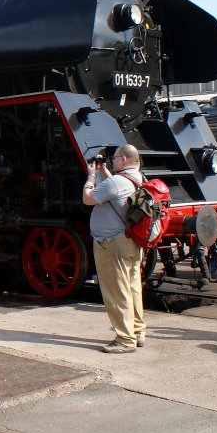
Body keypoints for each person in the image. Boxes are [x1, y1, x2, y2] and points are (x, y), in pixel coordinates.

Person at [83, 144, 145, 353]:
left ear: (124, 160)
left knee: (116, 293)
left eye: (115, 157)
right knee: (133, 288)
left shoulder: (117, 182)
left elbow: (88, 198)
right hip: (130, 242)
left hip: (112, 244)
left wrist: (91, 177)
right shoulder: (138, 179)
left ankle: (125, 340)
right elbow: (114, 187)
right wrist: (104, 172)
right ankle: (137, 331)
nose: (113, 160)